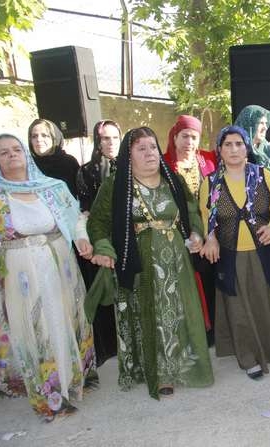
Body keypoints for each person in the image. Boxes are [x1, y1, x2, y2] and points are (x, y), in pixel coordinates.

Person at [87, 127, 213, 399]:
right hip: (139, 260)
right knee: (150, 312)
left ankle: (184, 366)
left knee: (179, 311)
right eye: (141, 148)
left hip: (176, 258)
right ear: (128, 155)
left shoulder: (173, 179)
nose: (149, 153)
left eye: (153, 147)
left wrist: (196, 234)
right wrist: (104, 247)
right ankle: (160, 373)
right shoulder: (116, 185)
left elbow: (191, 212)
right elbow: (97, 222)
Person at [0, 134, 96, 420]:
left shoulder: (53, 188)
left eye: (16, 149)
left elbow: (76, 216)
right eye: (3, 153)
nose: (11, 155)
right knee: (34, 329)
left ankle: (73, 382)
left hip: (59, 264)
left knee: (62, 320)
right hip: (20, 272)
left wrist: (81, 238)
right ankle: (50, 396)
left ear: (25, 154)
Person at [200, 126, 270, 380]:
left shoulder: (263, 175)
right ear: (220, 150)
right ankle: (248, 357)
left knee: (269, 301)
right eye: (228, 144)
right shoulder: (211, 183)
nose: (234, 149)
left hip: (264, 252)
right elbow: (206, 218)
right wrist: (211, 238)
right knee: (238, 308)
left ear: (247, 147)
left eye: (239, 144)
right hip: (231, 254)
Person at [163, 115, 217, 340]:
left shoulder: (207, 160)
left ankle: (212, 329)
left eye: (194, 137)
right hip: (177, 231)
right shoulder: (163, 164)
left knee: (209, 278)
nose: (189, 142)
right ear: (175, 137)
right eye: (184, 136)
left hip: (209, 228)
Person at [76, 119, 122, 365]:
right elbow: (85, 210)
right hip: (99, 237)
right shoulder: (86, 171)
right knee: (103, 292)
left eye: (115, 137)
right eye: (105, 138)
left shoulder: (128, 166)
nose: (111, 143)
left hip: (127, 236)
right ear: (97, 140)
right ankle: (108, 348)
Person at [27, 119, 79, 197]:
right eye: (34, 136)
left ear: (54, 138)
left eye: (44, 135)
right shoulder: (27, 165)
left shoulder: (68, 163)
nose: (39, 140)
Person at [234, 105, 270, 185]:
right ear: (249, 124)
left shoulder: (265, 148)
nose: (265, 127)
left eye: (266, 123)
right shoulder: (237, 151)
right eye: (260, 123)